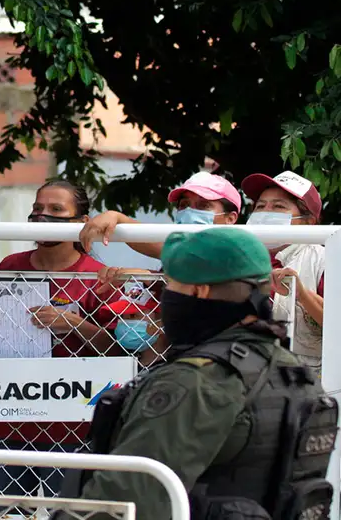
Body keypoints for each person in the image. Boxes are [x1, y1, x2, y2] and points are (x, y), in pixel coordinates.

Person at [67, 228, 336, 519]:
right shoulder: (295, 373)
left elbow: (122, 503)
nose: (167, 298)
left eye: (172, 285)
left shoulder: (194, 382)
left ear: (198, 291)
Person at [0, 180, 119, 504]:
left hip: (73, 428)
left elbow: (117, 349)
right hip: (8, 421)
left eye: (56, 210)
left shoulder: (98, 276)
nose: (43, 217)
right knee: (4, 512)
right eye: (37, 210)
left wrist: (76, 324)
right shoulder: (11, 267)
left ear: (81, 222)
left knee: (67, 511)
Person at [241, 170, 325, 374]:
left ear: (308, 221)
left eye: (278, 206)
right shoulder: (238, 258)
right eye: (260, 206)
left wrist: (302, 295)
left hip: (307, 381)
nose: (265, 213)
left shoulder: (323, 260)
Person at [79, 171, 241, 258]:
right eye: (184, 205)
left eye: (204, 205)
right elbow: (155, 243)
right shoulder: (180, 250)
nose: (190, 212)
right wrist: (116, 217)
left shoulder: (240, 256)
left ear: (230, 218)